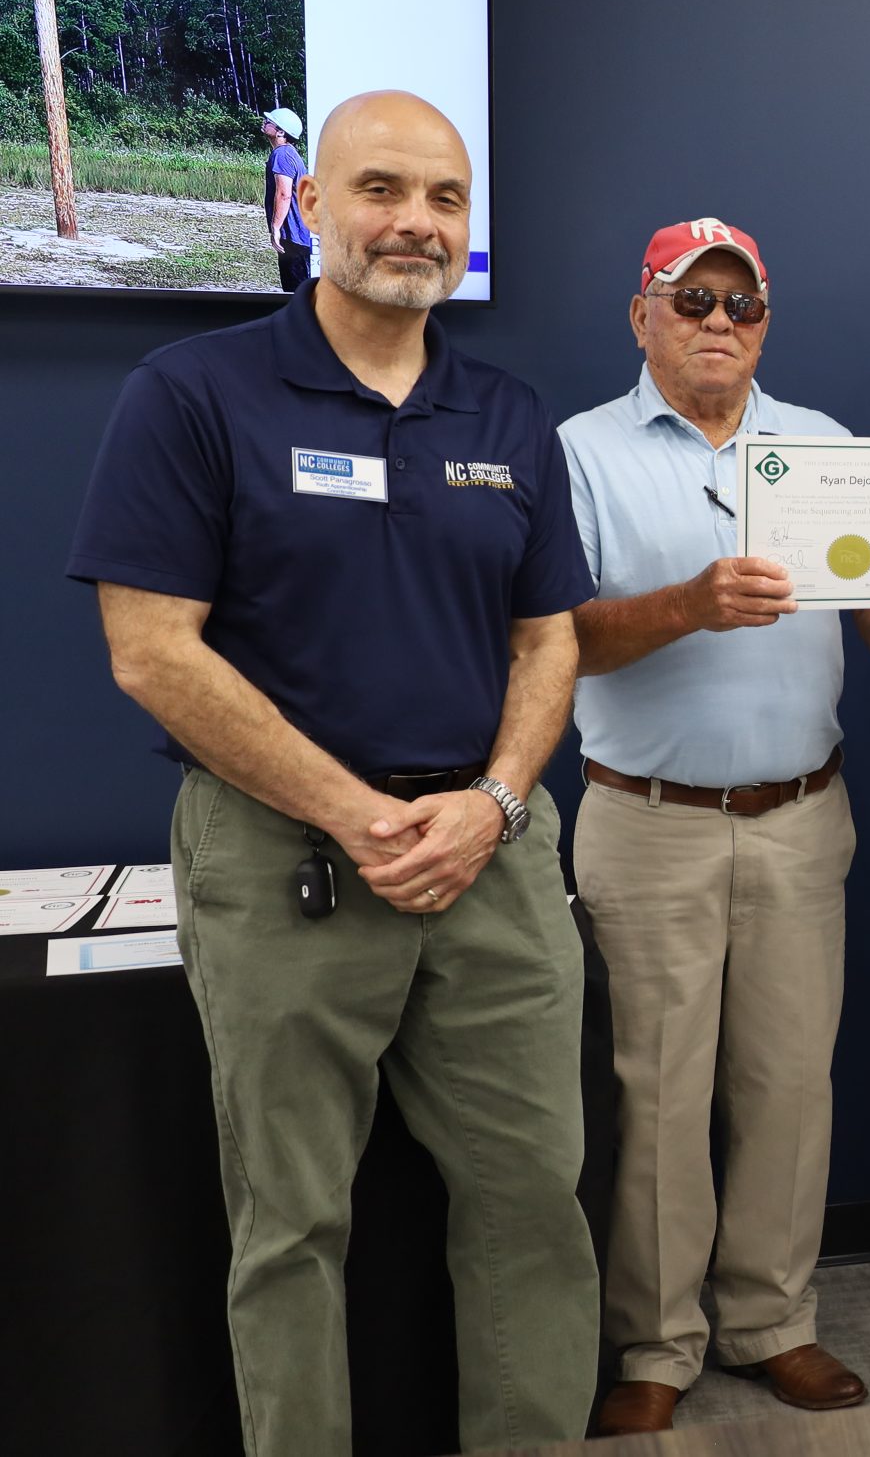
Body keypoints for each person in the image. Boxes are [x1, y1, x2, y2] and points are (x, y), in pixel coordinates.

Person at [66, 91, 600, 1456]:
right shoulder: (193, 394)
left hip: (490, 854)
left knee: (535, 1198)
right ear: (310, 206)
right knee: (292, 1217)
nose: (413, 221)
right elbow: (150, 650)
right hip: (286, 857)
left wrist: (489, 803)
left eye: (443, 198)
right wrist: (359, 811)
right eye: (379, 188)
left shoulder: (507, 409)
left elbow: (549, 637)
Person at [563, 218, 870, 1436]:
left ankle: (771, 1321)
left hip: (801, 814)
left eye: (740, 307)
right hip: (646, 821)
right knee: (653, 1098)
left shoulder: (824, 447)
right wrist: (693, 604)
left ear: (764, 323)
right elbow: (562, 640)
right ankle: (654, 1340)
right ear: (641, 313)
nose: (717, 327)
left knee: (791, 1087)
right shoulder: (579, 452)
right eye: (691, 302)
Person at [261, 107, 315, 291]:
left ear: (281, 132)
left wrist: (275, 228)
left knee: (295, 293)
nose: (264, 122)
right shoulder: (290, 153)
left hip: (293, 236)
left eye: (269, 122)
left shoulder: (282, 155)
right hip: (298, 234)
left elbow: (284, 194)